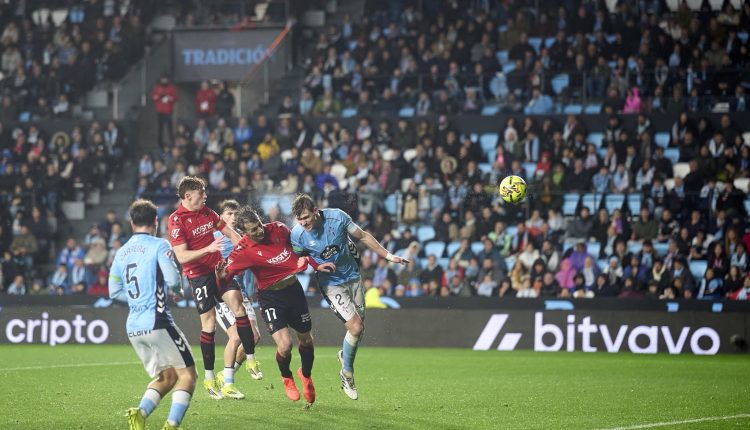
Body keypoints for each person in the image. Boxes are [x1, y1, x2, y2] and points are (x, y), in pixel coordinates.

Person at [290, 193, 410, 400]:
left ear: (316, 211)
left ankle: (344, 356)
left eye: (306, 217)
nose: (303, 223)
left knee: (359, 329)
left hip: (353, 276)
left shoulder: (337, 217)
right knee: (355, 328)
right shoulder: (297, 234)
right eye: (299, 219)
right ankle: (347, 374)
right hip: (330, 283)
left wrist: (389, 256)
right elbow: (298, 259)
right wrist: (314, 266)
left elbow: (362, 236)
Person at [216, 206, 335, 405]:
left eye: (259, 225)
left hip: (294, 291)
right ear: (244, 233)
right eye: (253, 230)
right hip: (270, 298)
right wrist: (220, 278)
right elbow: (225, 280)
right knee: (285, 345)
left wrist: (315, 264)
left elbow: (300, 249)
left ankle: (306, 375)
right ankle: (287, 377)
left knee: (306, 340)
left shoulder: (278, 229)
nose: (259, 231)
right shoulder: (242, 251)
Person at [166, 176, 257, 400]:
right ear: (188, 196)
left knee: (239, 307)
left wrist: (245, 249)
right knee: (209, 324)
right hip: (198, 276)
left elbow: (231, 233)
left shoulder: (208, 212)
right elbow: (181, 256)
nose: (205, 195)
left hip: (219, 270)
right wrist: (208, 249)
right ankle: (209, 377)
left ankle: (250, 359)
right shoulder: (176, 220)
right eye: (201, 192)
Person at [108, 199, 196, 430]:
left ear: (131, 222)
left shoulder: (121, 252)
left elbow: (113, 291)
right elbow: (173, 279)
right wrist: (176, 291)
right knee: (188, 376)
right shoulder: (159, 245)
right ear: (156, 221)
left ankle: (140, 413)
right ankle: (172, 425)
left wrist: (138, 299)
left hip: (134, 328)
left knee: (167, 377)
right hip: (157, 322)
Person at [212, 199, 264, 394]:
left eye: (236, 213)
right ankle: (228, 384)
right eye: (229, 214)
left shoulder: (244, 238)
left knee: (254, 336)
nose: (233, 217)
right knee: (235, 337)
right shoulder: (215, 238)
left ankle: (226, 374)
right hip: (223, 294)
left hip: (241, 293)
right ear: (221, 217)